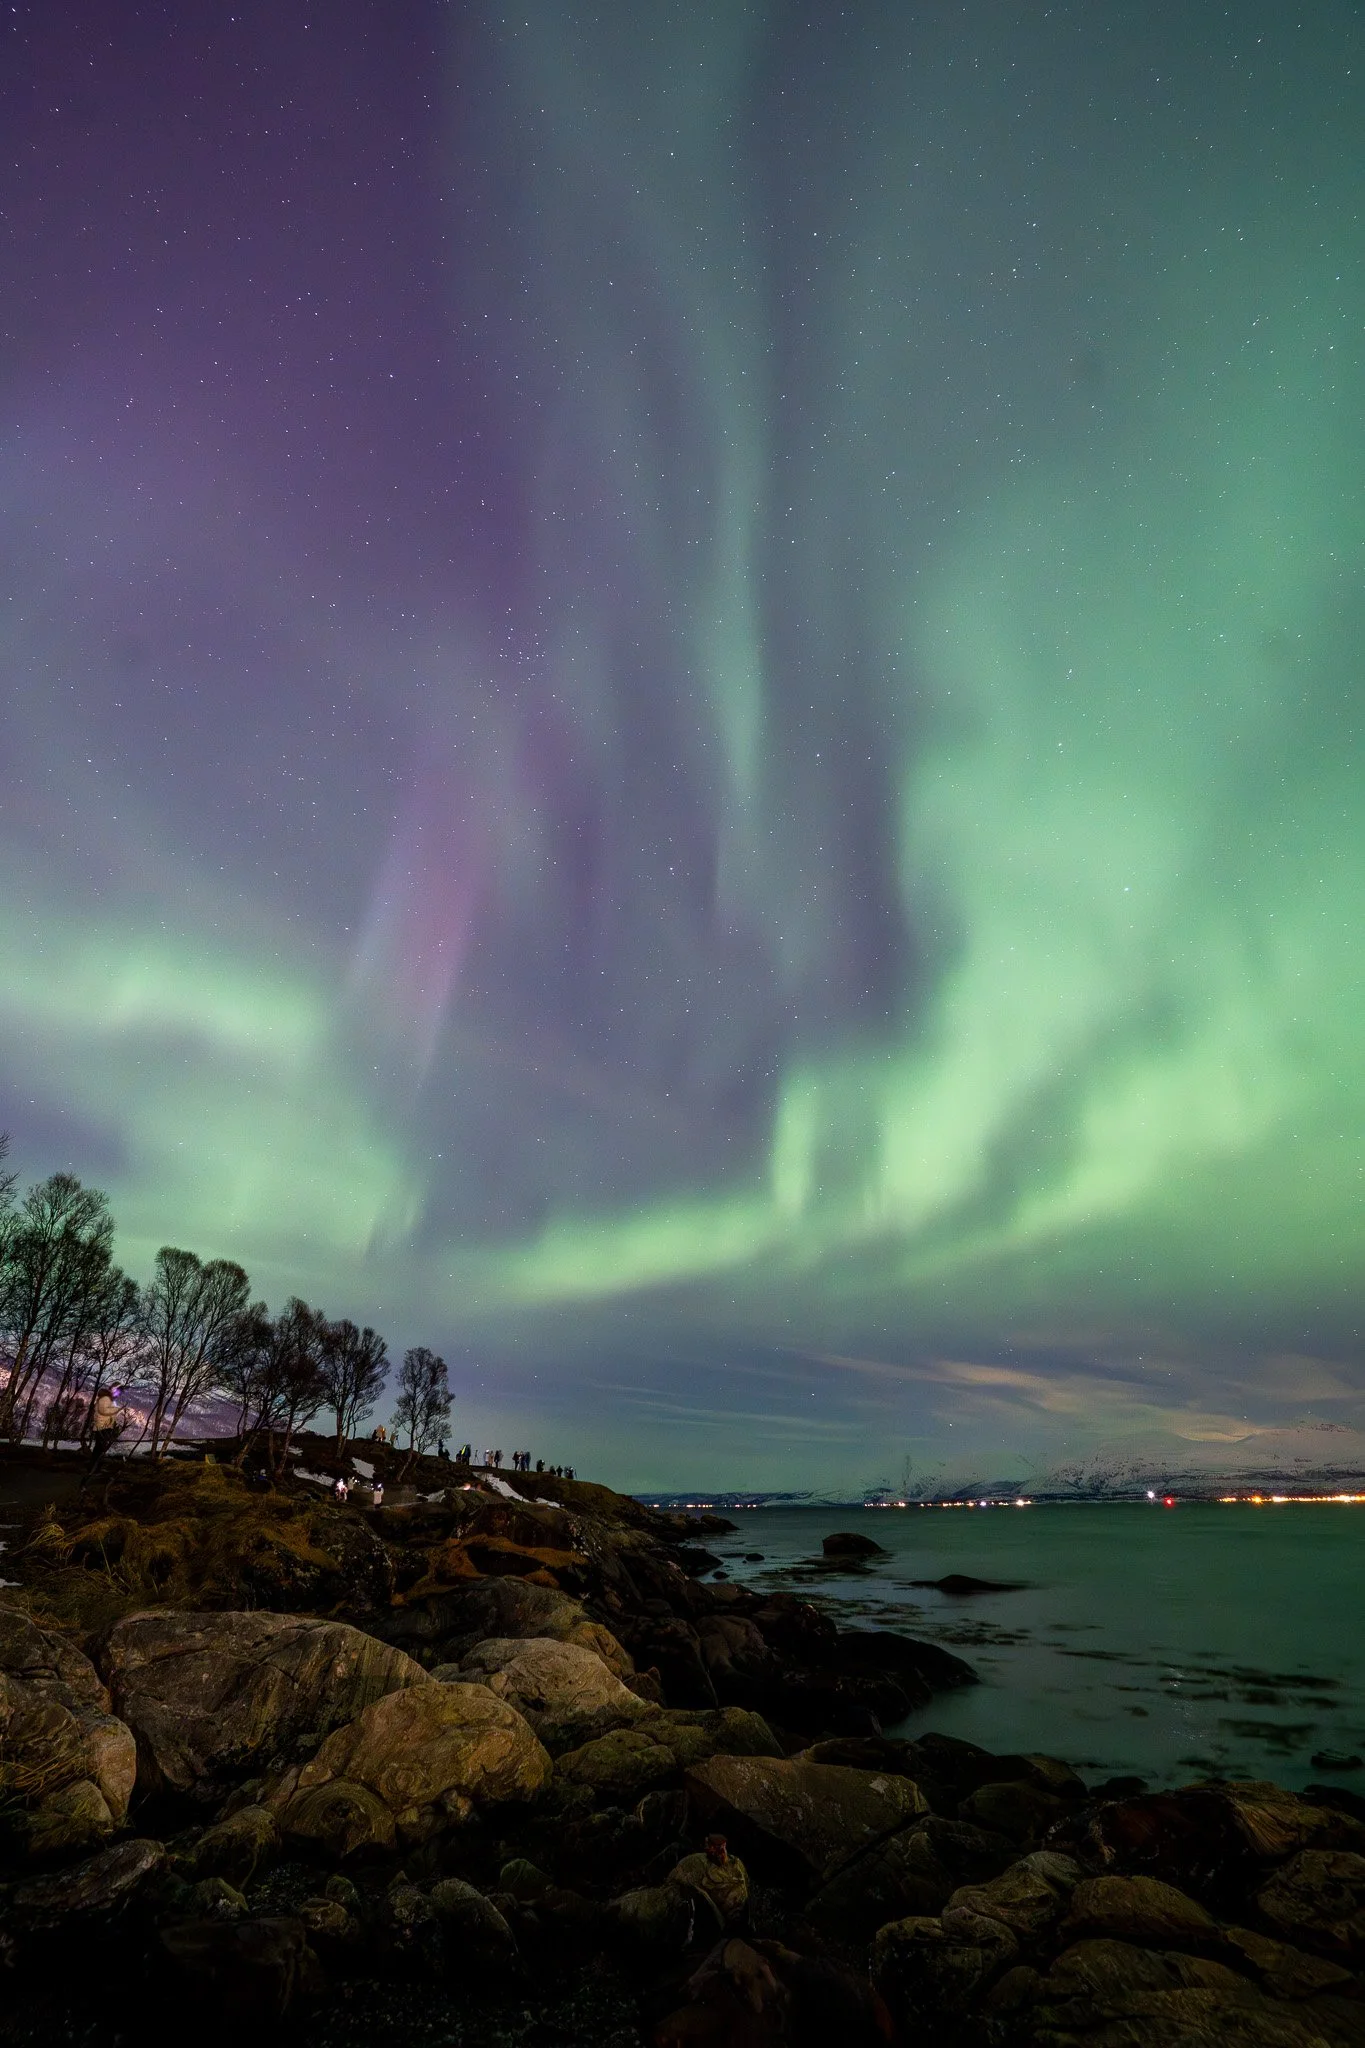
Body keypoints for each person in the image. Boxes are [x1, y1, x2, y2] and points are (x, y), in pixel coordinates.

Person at [85, 1386, 120, 1476]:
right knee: (99, 1449)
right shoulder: (104, 1400)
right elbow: (104, 1411)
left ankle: (95, 1468)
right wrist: (117, 1409)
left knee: (99, 1448)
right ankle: (94, 1469)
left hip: (102, 1427)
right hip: (103, 1428)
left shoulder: (102, 1400)